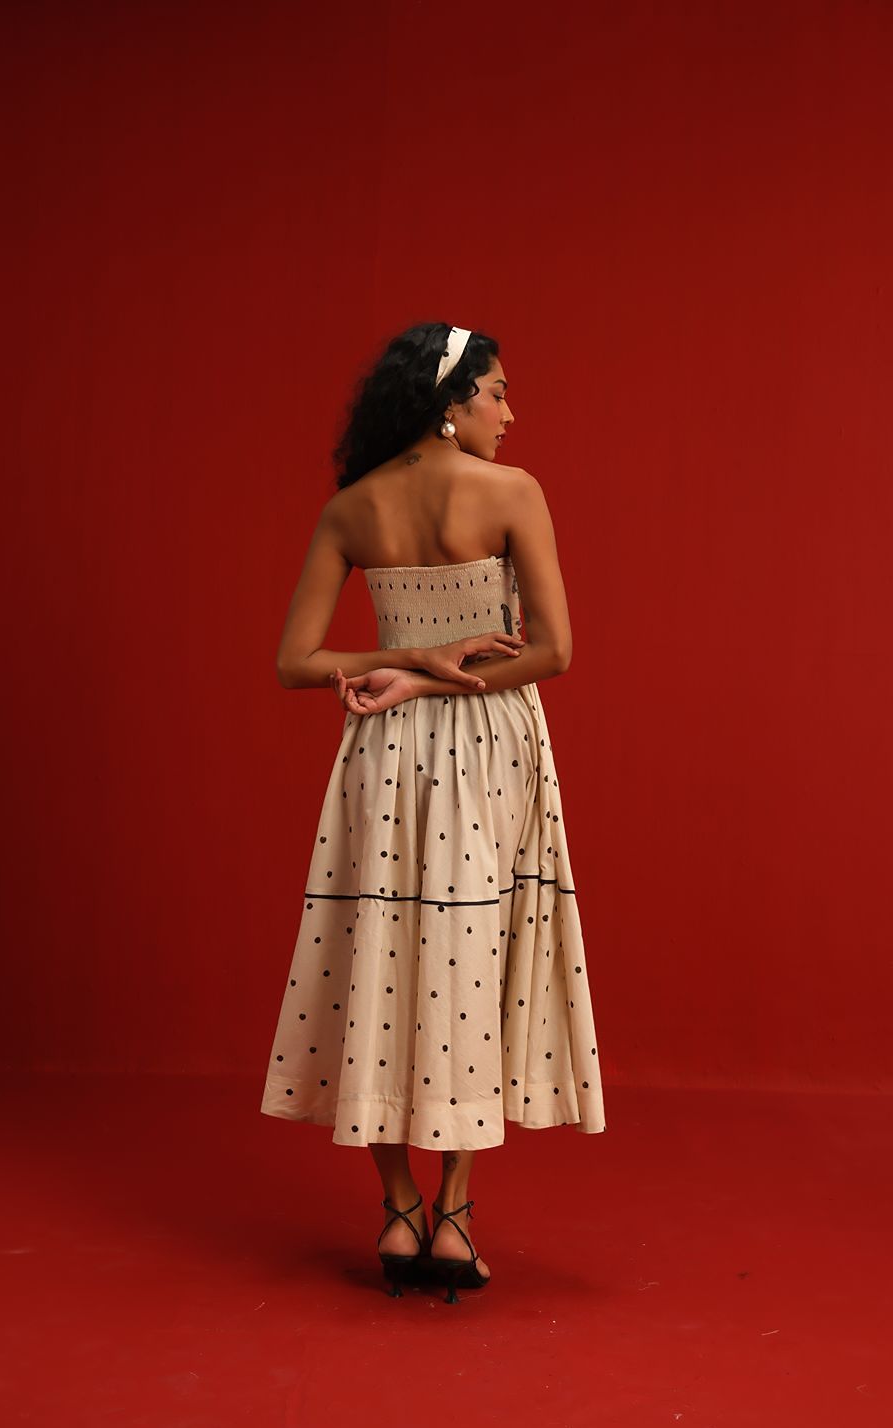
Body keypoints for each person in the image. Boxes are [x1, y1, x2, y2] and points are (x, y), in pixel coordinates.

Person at [259, 322, 606, 1301]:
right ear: (449, 405)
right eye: (496, 392)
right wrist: (428, 667)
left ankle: (399, 1207)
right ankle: (453, 1215)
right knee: (471, 961)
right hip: (489, 744)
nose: (509, 412)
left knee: (378, 956)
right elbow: (553, 652)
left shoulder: (353, 507)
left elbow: (297, 663)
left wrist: (403, 668)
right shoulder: (511, 492)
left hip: (384, 754)